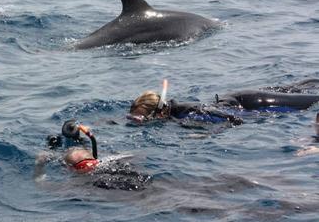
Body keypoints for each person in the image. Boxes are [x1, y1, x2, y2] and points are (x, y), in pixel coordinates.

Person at [128, 79, 319, 126]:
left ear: (159, 113)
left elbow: (231, 120)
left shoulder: (187, 113)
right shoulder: (174, 113)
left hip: (250, 103)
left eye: (142, 117)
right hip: (237, 97)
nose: (138, 120)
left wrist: (208, 133)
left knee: (309, 101)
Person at [35, 120, 151, 191]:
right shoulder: (109, 161)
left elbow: (42, 185)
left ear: (69, 168)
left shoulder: (77, 184)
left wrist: (39, 165)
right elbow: (139, 155)